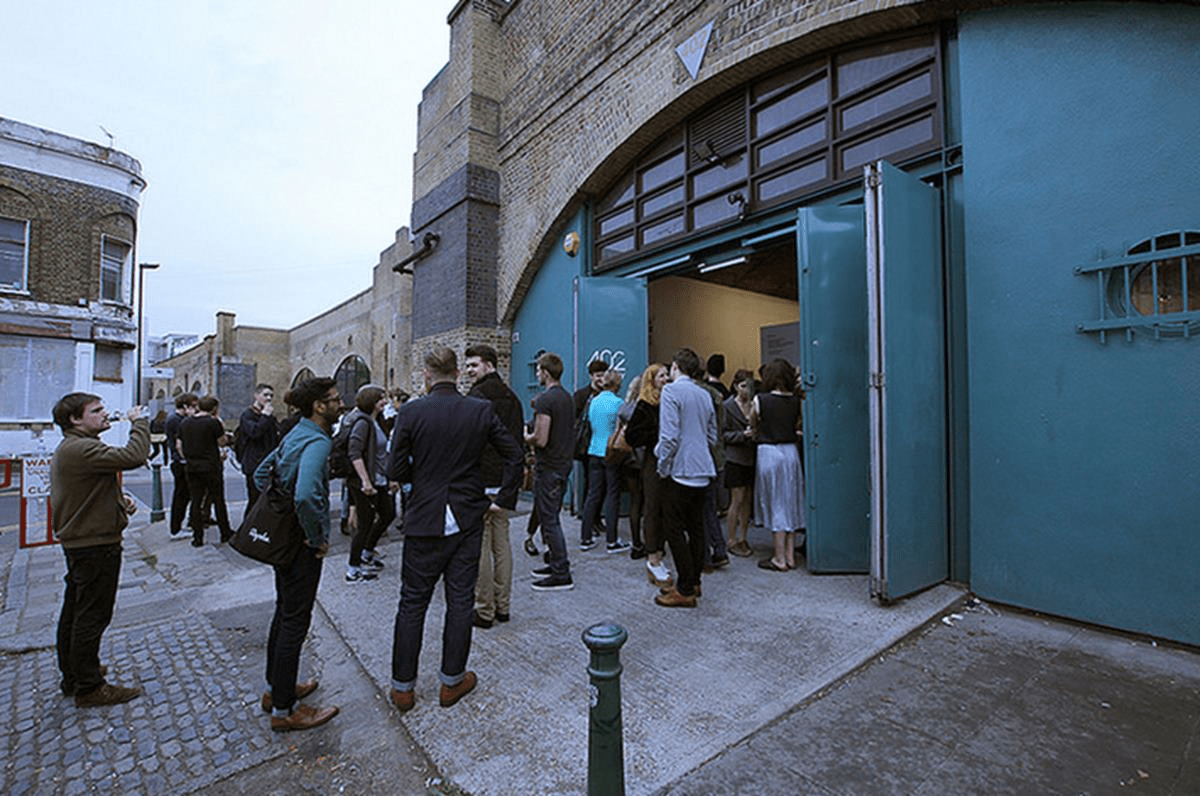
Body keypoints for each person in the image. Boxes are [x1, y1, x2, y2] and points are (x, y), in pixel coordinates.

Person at [386, 348, 523, 712]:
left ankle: (403, 688)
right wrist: (504, 497)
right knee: (459, 600)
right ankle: (451, 680)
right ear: (458, 372)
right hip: (465, 515)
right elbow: (514, 453)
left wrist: (420, 475)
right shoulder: (478, 410)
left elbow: (394, 468)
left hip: (425, 515)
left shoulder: (412, 411)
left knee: (413, 602)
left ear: (427, 374)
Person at [252, 376, 342, 732]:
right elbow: (307, 494)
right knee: (295, 620)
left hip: (283, 541)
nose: (340, 405)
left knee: (283, 612)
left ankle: (277, 690)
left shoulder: (296, 433)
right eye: (334, 400)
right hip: (302, 545)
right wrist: (315, 534)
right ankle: (285, 711)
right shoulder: (318, 441)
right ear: (318, 406)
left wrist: (281, 510)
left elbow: (263, 474)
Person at [50, 392, 148, 707]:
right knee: (92, 614)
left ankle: (75, 673)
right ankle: (89, 686)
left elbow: (91, 488)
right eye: (96, 410)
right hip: (94, 545)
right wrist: (140, 423)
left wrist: (119, 502)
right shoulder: (82, 447)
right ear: (75, 420)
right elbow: (134, 456)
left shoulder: (76, 448)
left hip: (84, 541)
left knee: (76, 611)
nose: (105, 414)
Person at [464, 343, 524, 629]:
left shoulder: (476, 397)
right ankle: (503, 607)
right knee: (502, 545)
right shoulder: (513, 397)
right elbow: (516, 444)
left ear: (490, 365)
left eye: (474, 365)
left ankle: (484, 610)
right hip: (503, 482)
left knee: (482, 547)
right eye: (467, 365)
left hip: (481, 482)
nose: (468, 371)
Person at [654, 348, 718, 608]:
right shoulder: (705, 394)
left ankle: (684, 587)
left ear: (676, 367)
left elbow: (669, 437)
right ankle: (695, 581)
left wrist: (662, 463)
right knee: (696, 527)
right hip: (703, 467)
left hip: (680, 469)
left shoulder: (671, 391)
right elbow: (713, 435)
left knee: (673, 529)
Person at [525, 352, 576, 591]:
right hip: (563, 465)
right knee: (551, 517)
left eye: (538, 370)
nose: (537, 374)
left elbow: (541, 439)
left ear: (545, 372)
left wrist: (526, 437)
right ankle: (556, 563)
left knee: (550, 520)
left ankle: (561, 572)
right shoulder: (567, 398)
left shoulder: (546, 400)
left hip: (549, 468)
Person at [751, 358, 806, 571]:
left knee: (776, 503)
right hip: (790, 452)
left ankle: (779, 558)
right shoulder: (796, 401)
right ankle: (790, 556)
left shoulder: (760, 400)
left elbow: (753, 424)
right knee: (790, 501)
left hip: (769, 453)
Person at [343, 384, 397, 583]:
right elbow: (354, 453)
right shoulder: (363, 423)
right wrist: (365, 481)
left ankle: (366, 552)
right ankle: (353, 568)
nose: (385, 401)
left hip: (379, 480)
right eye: (381, 398)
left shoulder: (377, 421)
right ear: (372, 402)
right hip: (365, 483)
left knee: (388, 514)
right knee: (364, 524)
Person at [625, 363, 672, 587]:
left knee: (665, 509)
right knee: (652, 508)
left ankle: (660, 552)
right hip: (652, 464)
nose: (666, 378)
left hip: (668, 463)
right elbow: (633, 435)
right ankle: (653, 556)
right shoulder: (645, 405)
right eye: (661, 375)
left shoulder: (669, 401)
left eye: (666, 374)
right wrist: (657, 436)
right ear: (651, 380)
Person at [580, 369, 631, 553]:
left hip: (594, 449)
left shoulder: (593, 401)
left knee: (593, 494)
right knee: (612, 495)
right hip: (611, 452)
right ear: (617, 385)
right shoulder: (619, 403)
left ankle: (585, 537)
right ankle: (612, 540)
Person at [180, 395, 233, 547]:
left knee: (196, 501)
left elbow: (180, 445)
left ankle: (197, 538)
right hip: (211, 466)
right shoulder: (213, 422)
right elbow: (222, 441)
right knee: (218, 500)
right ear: (214, 408)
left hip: (192, 466)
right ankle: (225, 532)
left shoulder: (185, 422)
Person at [723, 369, 758, 557]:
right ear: (736, 386)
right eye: (744, 386)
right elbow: (723, 434)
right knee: (736, 499)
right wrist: (741, 435)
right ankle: (731, 539)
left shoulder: (755, 404)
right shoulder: (728, 406)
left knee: (747, 499)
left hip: (750, 457)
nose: (747, 390)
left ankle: (743, 537)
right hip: (735, 457)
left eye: (750, 386)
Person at [236, 383, 280, 511]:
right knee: (254, 500)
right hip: (253, 464)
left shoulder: (270, 416)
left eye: (271, 395)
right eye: (265, 395)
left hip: (267, 463)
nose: (269, 398)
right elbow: (254, 433)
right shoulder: (248, 415)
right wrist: (265, 416)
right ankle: (247, 528)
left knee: (265, 500)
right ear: (256, 396)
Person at [616, 374, 645, 559]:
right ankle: (652, 543)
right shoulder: (645, 409)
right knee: (649, 502)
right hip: (644, 459)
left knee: (635, 501)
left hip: (628, 459)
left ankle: (636, 543)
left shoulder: (624, 409)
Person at [165, 393, 198, 536]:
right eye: (193, 406)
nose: (196, 409)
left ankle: (178, 526)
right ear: (186, 406)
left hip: (180, 461)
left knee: (183, 496)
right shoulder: (177, 420)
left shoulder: (175, 419)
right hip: (181, 462)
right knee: (181, 497)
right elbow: (180, 443)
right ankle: (176, 528)